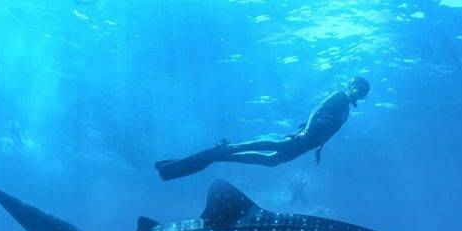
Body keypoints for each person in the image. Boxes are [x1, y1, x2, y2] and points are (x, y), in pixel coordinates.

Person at [155, 76, 370, 181]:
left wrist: (320, 148)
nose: (359, 94)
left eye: (362, 93)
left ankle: (225, 153)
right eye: (358, 90)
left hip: (309, 144)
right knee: (275, 145)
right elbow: (317, 108)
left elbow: (331, 132)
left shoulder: (346, 111)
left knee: (272, 161)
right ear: (352, 87)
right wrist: (307, 130)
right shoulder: (339, 96)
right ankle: (229, 148)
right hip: (302, 137)